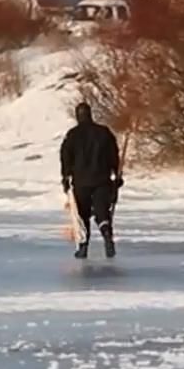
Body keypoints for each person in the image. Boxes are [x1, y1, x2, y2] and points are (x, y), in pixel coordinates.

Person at [59, 102, 123, 260]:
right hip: (102, 180)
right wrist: (117, 174)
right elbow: (113, 154)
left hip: (81, 182)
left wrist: (65, 177)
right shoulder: (104, 133)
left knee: (83, 215)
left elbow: (66, 157)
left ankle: (83, 247)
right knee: (102, 212)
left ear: (77, 116)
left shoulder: (72, 135)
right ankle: (107, 236)